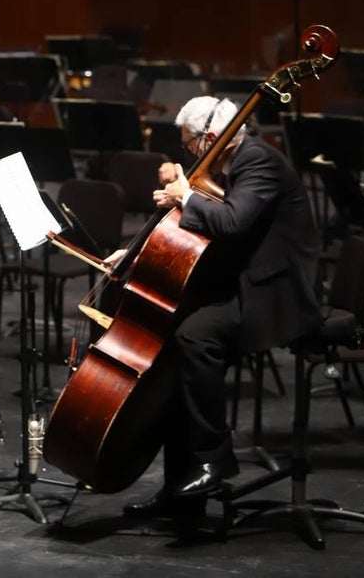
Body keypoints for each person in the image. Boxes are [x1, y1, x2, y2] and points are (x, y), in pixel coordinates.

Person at [115, 95, 321, 523]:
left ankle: (215, 460)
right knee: (174, 349)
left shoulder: (258, 160)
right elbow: (208, 225)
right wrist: (139, 252)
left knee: (196, 336)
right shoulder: (235, 161)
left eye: (189, 144)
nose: (189, 153)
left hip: (274, 294)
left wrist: (186, 196)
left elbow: (231, 223)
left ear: (210, 137)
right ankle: (180, 491)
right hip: (241, 281)